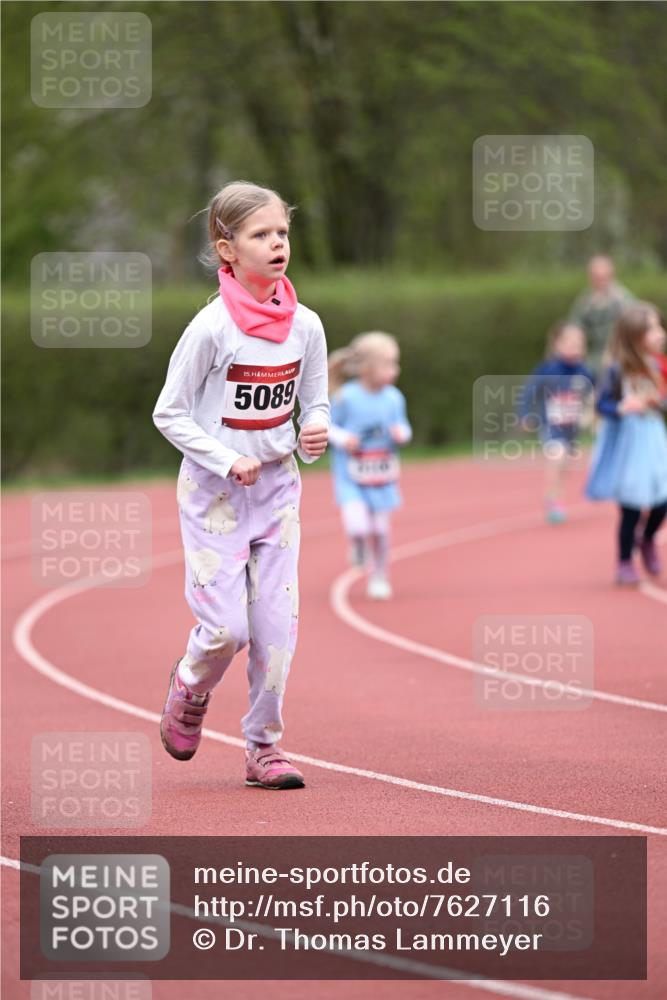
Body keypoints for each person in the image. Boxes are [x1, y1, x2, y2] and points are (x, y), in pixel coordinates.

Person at [152, 181, 330, 789]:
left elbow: (316, 400)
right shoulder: (211, 329)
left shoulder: (305, 325)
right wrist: (225, 459)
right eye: (261, 235)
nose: (277, 243)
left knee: (277, 630)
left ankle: (263, 748)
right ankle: (190, 686)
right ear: (227, 249)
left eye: (282, 232)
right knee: (228, 630)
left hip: (278, 492)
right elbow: (169, 413)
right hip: (215, 497)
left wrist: (316, 428)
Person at [585, 302, 667, 585]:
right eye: (652, 329)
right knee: (631, 507)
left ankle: (647, 539)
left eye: (659, 327)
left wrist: (659, 402)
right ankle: (623, 562)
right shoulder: (617, 370)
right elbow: (601, 404)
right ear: (634, 336)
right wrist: (622, 407)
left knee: (662, 501)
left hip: (655, 439)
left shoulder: (659, 365)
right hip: (629, 445)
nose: (660, 334)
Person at [328, 332, 412, 599]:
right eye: (388, 364)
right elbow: (327, 426)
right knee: (358, 526)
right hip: (351, 476)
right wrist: (343, 439)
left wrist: (401, 433)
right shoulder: (346, 397)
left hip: (382, 476)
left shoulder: (394, 398)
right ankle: (358, 545)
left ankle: (379, 575)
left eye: (395, 364)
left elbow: (403, 426)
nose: (395, 371)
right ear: (367, 369)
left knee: (380, 529)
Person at [519, 322, 595, 524]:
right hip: (550, 425)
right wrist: (524, 415)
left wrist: (592, 414)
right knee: (557, 456)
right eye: (568, 342)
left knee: (565, 464)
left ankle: (556, 494)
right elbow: (529, 393)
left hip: (572, 428)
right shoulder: (547, 370)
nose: (573, 346)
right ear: (556, 345)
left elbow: (592, 396)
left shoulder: (585, 372)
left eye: (578, 343)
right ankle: (553, 498)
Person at [569, 255, 634, 376]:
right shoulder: (585, 301)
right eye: (596, 277)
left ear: (612, 276)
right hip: (593, 354)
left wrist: (613, 352)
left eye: (604, 277)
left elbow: (633, 328)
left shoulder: (622, 299)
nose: (600, 281)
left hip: (619, 351)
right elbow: (574, 328)